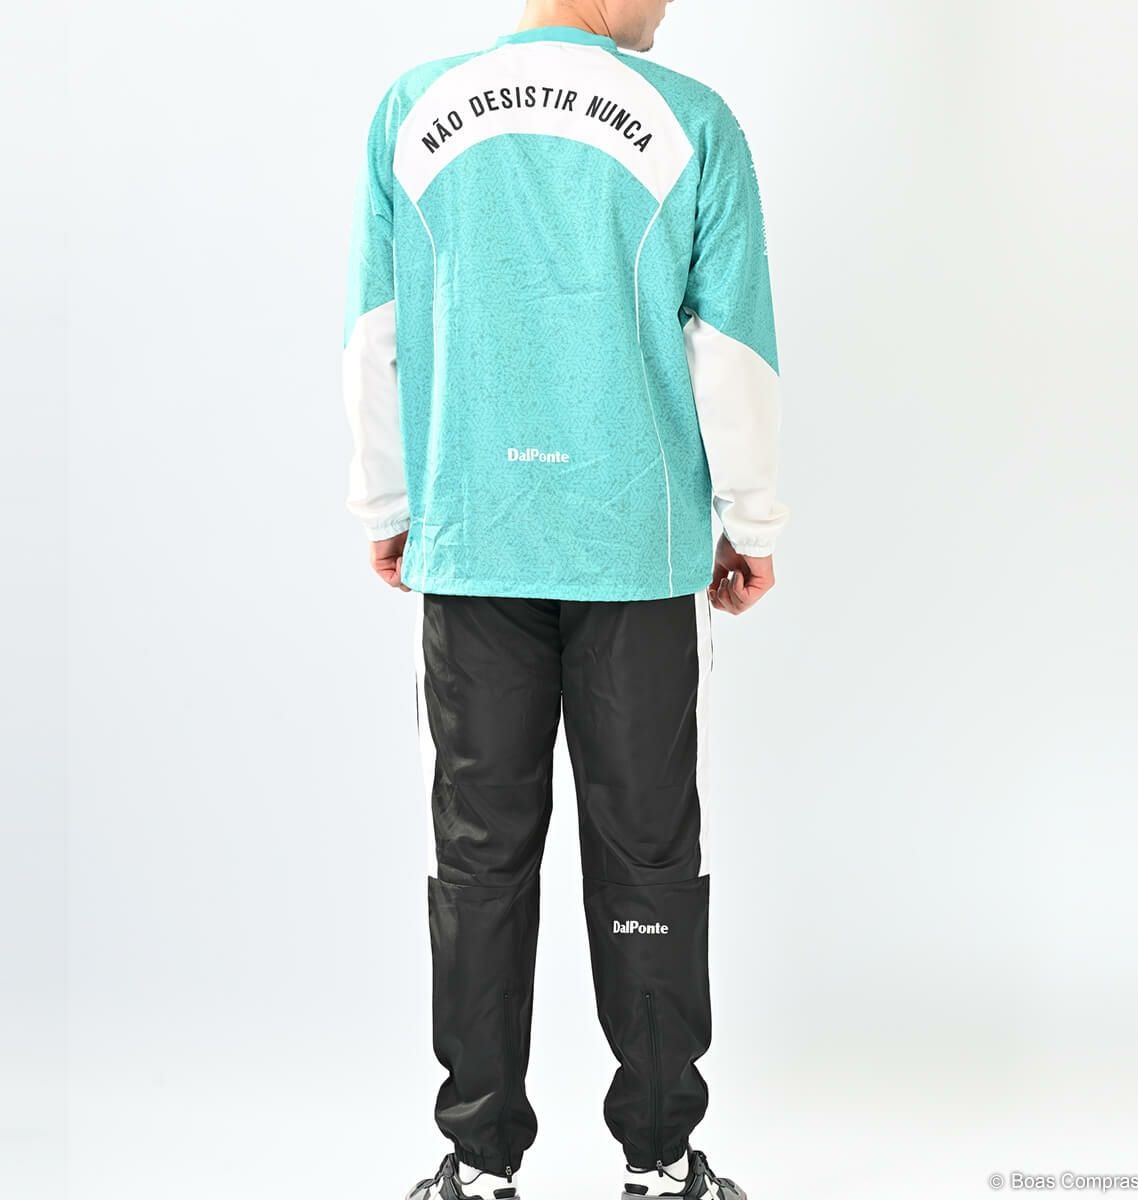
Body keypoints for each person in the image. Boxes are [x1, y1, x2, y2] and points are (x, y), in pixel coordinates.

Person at [342, 1, 787, 1196]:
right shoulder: (693, 122)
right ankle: (662, 1161)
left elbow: (377, 335)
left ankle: (479, 1165)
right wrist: (751, 522)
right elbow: (732, 348)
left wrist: (389, 502)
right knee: (647, 850)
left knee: (479, 855)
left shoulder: (412, 112)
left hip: (474, 540)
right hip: (634, 553)